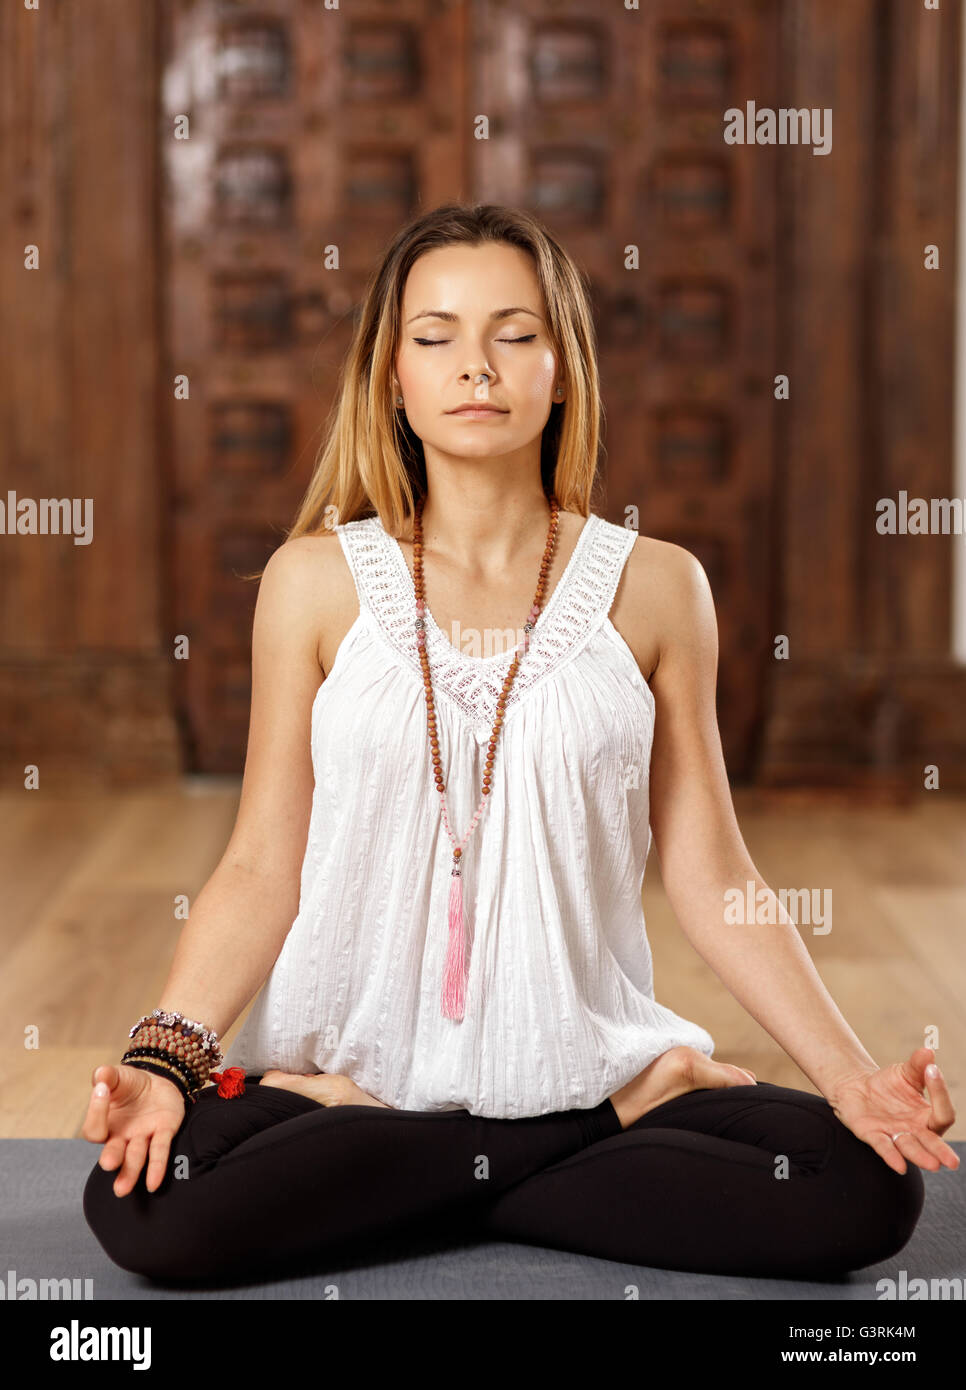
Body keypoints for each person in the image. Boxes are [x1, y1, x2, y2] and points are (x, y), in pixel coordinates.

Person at [82, 203, 957, 1285]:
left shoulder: (659, 585)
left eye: (515, 332)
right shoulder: (313, 581)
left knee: (864, 1185)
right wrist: (163, 1060)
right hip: (382, 1068)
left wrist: (852, 1074)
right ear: (392, 374)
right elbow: (261, 862)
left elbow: (711, 866)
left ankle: (410, 1146)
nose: (476, 367)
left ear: (563, 367)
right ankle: (597, 1118)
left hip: (555, 1060)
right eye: (436, 335)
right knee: (145, 1202)